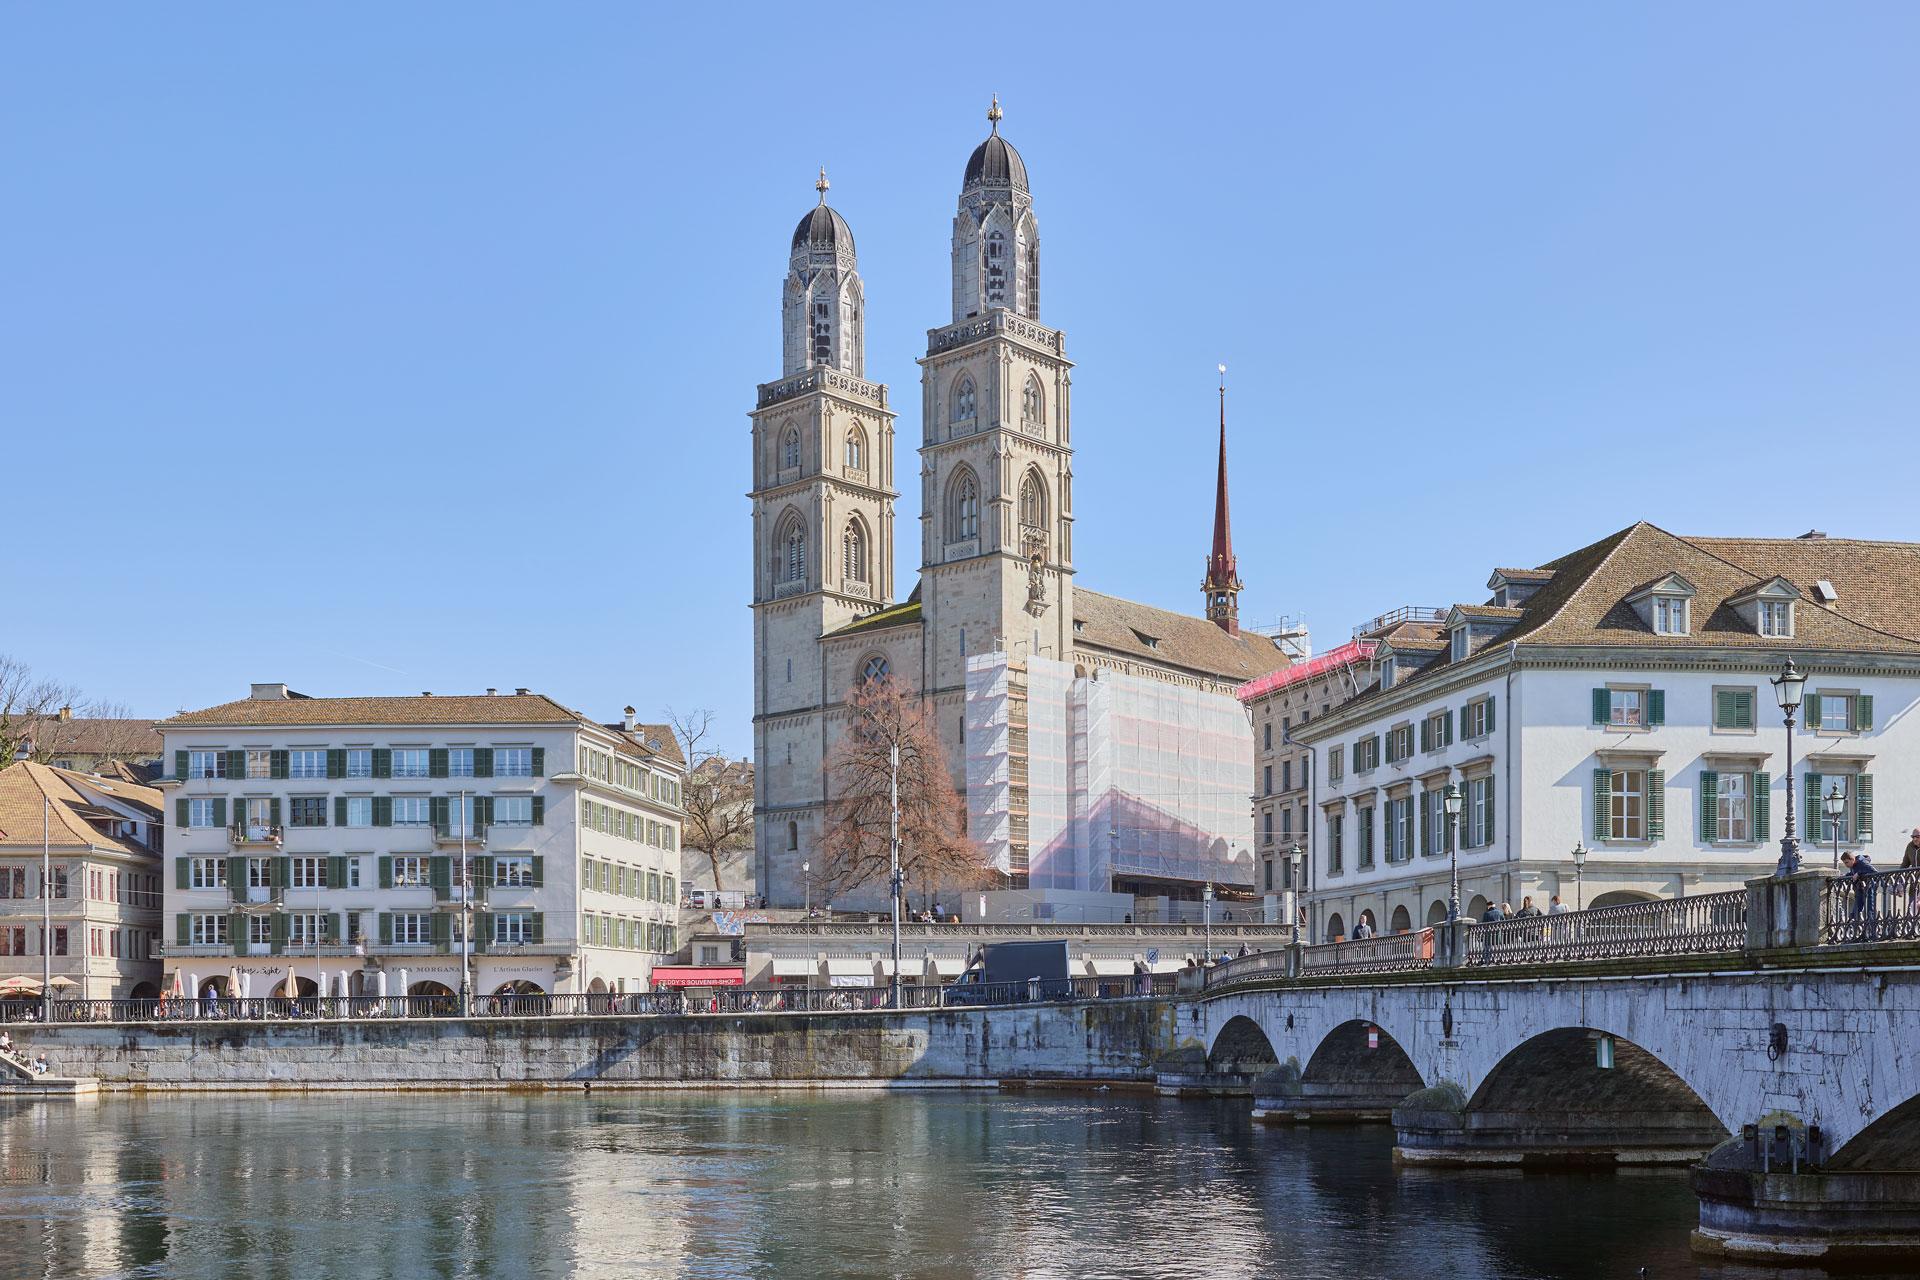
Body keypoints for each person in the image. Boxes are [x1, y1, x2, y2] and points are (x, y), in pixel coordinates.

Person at [1842, 851, 1880, 925]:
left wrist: (1859, 873)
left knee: (1870, 908)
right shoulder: (1853, 865)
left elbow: (1874, 872)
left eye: (1846, 862)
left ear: (1852, 859)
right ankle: (1854, 925)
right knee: (1857, 907)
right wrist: (1846, 875)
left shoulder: (1862, 862)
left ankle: (1871, 928)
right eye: (1844, 863)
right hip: (1860, 888)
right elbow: (1854, 873)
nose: (1845, 865)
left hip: (1869, 887)